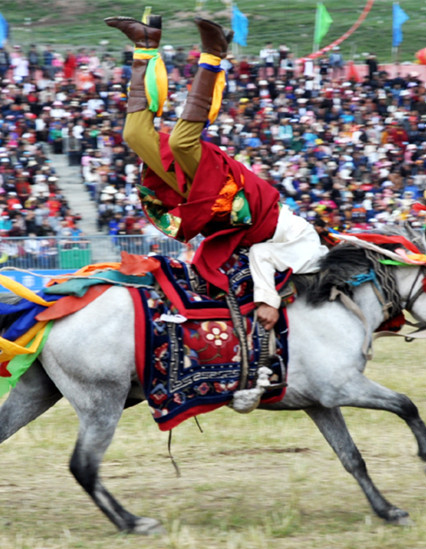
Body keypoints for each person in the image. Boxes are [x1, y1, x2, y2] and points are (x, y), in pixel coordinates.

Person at [104, 15, 327, 331]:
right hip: (246, 207)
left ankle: (145, 46)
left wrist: (268, 297)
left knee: (134, 136)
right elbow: (263, 254)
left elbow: (262, 255)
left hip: (224, 217)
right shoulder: (310, 250)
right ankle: (213, 54)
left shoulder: (310, 252)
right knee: (182, 142)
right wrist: (268, 302)